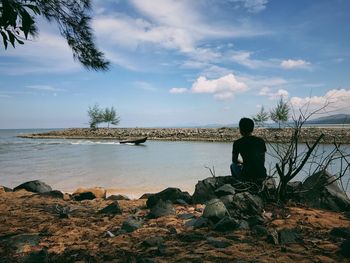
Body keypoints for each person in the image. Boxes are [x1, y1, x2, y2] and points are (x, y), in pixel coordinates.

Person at [230, 117, 267, 184]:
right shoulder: (261, 141)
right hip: (262, 175)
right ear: (252, 129)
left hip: (247, 176)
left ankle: (239, 183)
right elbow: (262, 160)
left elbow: (234, 160)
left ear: (240, 130)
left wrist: (243, 163)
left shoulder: (237, 143)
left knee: (232, 165)